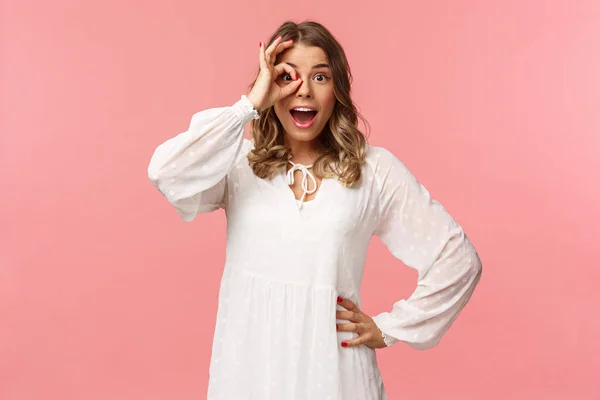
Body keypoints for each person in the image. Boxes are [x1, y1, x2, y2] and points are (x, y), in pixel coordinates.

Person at [148, 20, 482, 400]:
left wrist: (389, 328)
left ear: (337, 89)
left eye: (320, 77)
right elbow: (165, 172)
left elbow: (458, 259)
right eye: (287, 76)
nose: (303, 90)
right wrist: (250, 105)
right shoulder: (239, 163)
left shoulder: (374, 170)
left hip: (336, 375)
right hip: (252, 371)